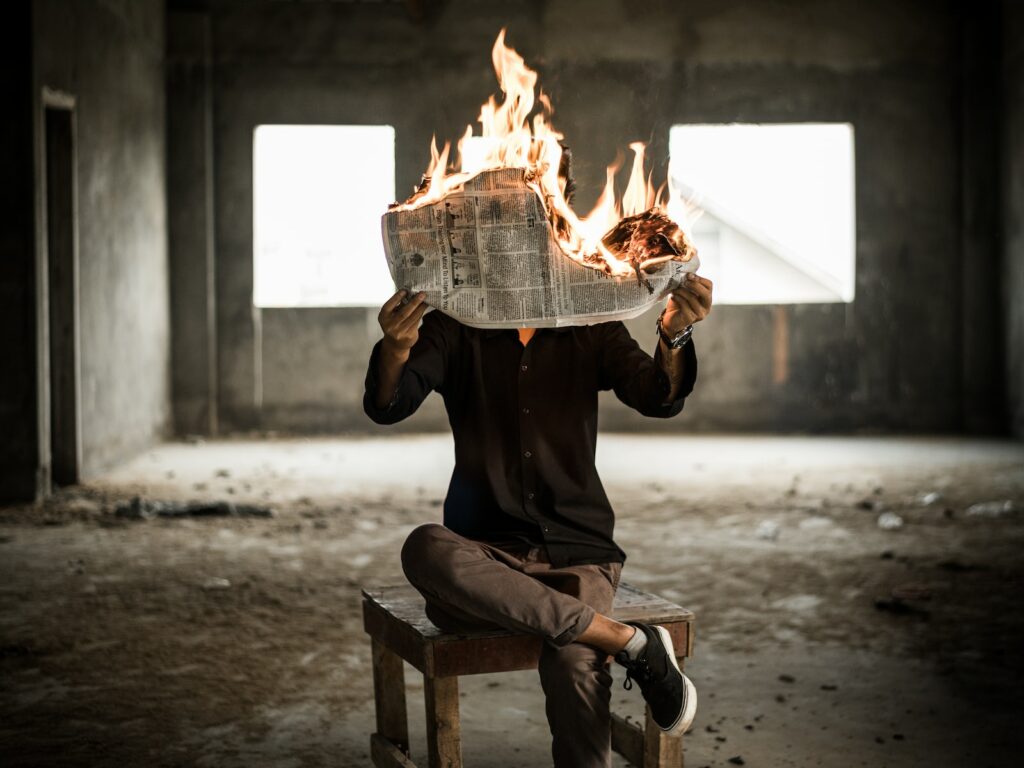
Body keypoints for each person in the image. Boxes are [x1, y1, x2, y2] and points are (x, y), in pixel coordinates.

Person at [363, 273, 713, 768]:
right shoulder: (455, 327)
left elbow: (658, 396)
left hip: (578, 554)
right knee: (424, 546)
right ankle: (626, 640)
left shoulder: (591, 325)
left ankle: (601, 639)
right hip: (486, 561)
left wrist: (674, 333)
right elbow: (388, 405)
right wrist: (397, 345)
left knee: (575, 662)